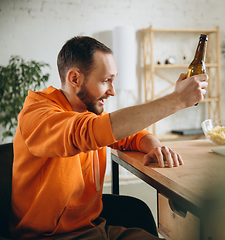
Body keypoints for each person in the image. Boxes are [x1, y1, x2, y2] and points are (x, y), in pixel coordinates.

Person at [10, 36, 208, 240]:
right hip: (51, 237)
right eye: (106, 81)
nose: (112, 91)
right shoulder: (38, 115)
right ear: (75, 79)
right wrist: (176, 100)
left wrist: (155, 146)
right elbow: (89, 132)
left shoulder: (85, 114)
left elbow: (130, 135)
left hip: (96, 229)